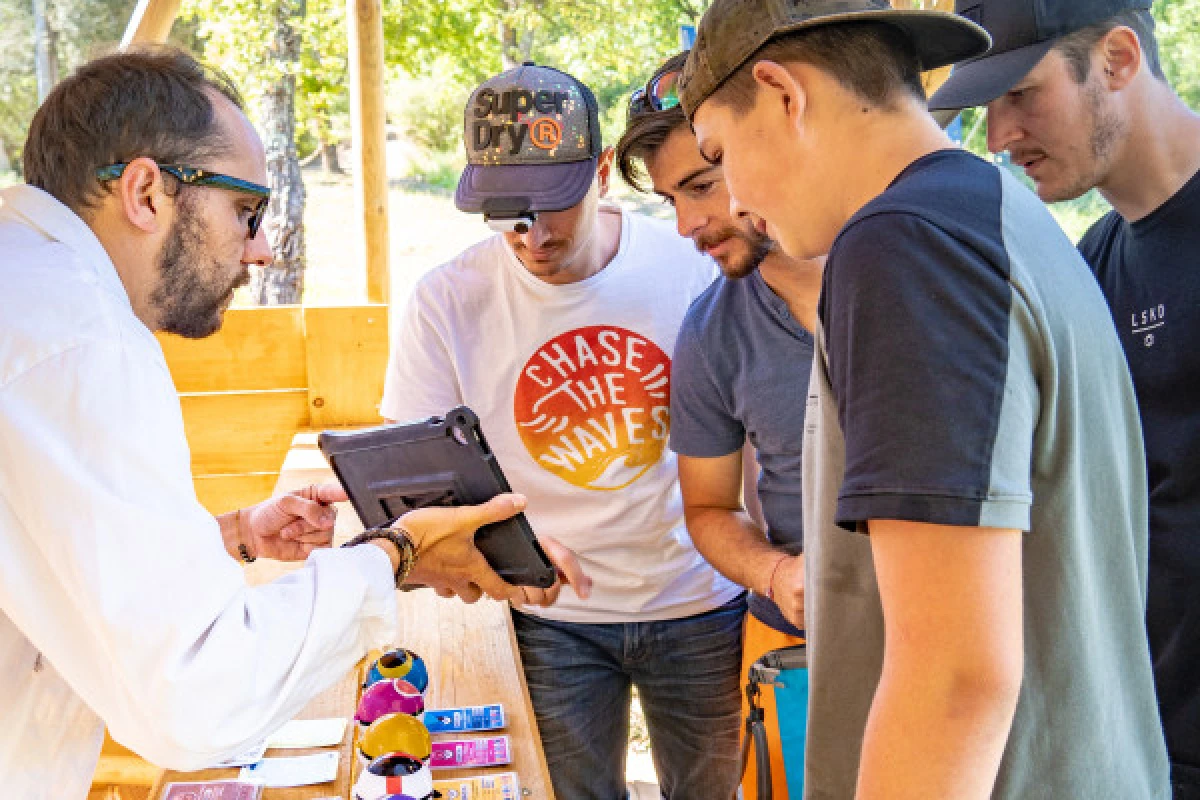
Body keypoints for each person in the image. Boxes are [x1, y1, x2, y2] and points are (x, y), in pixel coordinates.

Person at [0, 48, 580, 799]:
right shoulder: (83, 341)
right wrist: (394, 557)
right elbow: (198, 698)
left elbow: (49, 553)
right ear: (146, 191)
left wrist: (234, 533)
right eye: (247, 210)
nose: (264, 249)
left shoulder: (30, 293)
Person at [679, 0, 1171, 797]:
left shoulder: (905, 243)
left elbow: (954, 678)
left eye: (720, 151)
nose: (732, 200)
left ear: (781, 93)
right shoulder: (998, 211)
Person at [381, 62, 745, 800]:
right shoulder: (447, 300)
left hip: (700, 601)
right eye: (506, 210)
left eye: (554, 205)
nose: (533, 234)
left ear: (602, 172)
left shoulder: (692, 264)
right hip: (550, 616)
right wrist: (498, 555)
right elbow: (416, 488)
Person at [929, 3, 1200, 794]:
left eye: (1020, 94)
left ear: (1117, 59)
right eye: (985, 109)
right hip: (1146, 732)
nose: (999, 137)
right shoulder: (1090, 263)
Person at [616, 50, 823, 800]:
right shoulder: (710, 332)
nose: (687, 224)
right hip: (793, 643)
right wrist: (777, 573)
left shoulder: (909, 271)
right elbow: (707, 508)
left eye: (703, 184)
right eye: (671, 199)